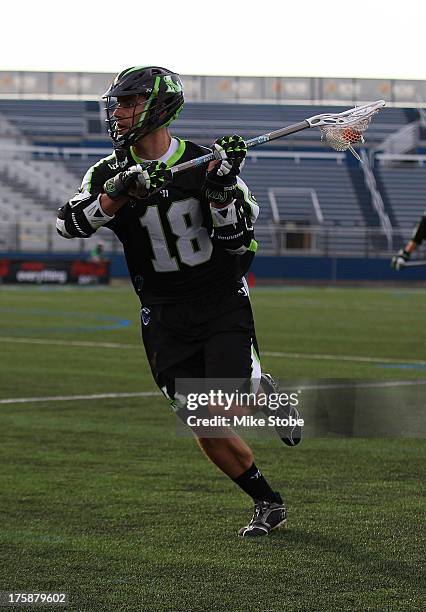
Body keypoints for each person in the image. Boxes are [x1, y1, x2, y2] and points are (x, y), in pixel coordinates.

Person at [56, 66, 301, 537]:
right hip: (163, 314)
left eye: (128, 104)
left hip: (218, 301)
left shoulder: (206, 162)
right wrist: (116, 196)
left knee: (225, 403)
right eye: (118, 105)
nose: (119, 114)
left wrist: (221, 189)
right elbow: (70, 224)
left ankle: (263, 394)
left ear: (157, 106)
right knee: (203, 422)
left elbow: (240, 244)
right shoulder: (108, 171)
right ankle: (267, 501)